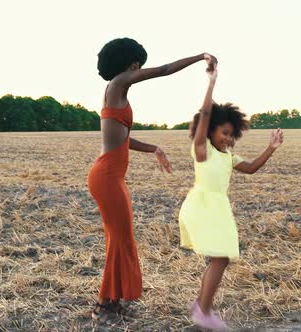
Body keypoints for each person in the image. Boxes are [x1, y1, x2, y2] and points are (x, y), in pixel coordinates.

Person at [87, 37, 218, 324]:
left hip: (111, 176)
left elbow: (121, 138)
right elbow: (164, 70)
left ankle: (114, 301)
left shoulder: (116, 93)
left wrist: (153, 148)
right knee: (118, 240)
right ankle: (102, 307)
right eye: (137, 65)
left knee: (121, 239)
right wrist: (199, 57)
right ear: (130, 64)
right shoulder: (119, 83)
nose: (139, 70)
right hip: (107, 176)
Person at [178, 63, 284, 330]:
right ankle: (203, 310)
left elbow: (250, 169)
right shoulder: (203, 151)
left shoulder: (228, 156)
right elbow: (204, 114)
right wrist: (211, 84)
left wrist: (271, 148)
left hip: (217, 207)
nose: (228, 139)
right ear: (210, 130)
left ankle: (201, 307)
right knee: (221, 257)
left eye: (231, 135)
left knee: (221, 257)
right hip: (203, 205)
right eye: (224, 133)